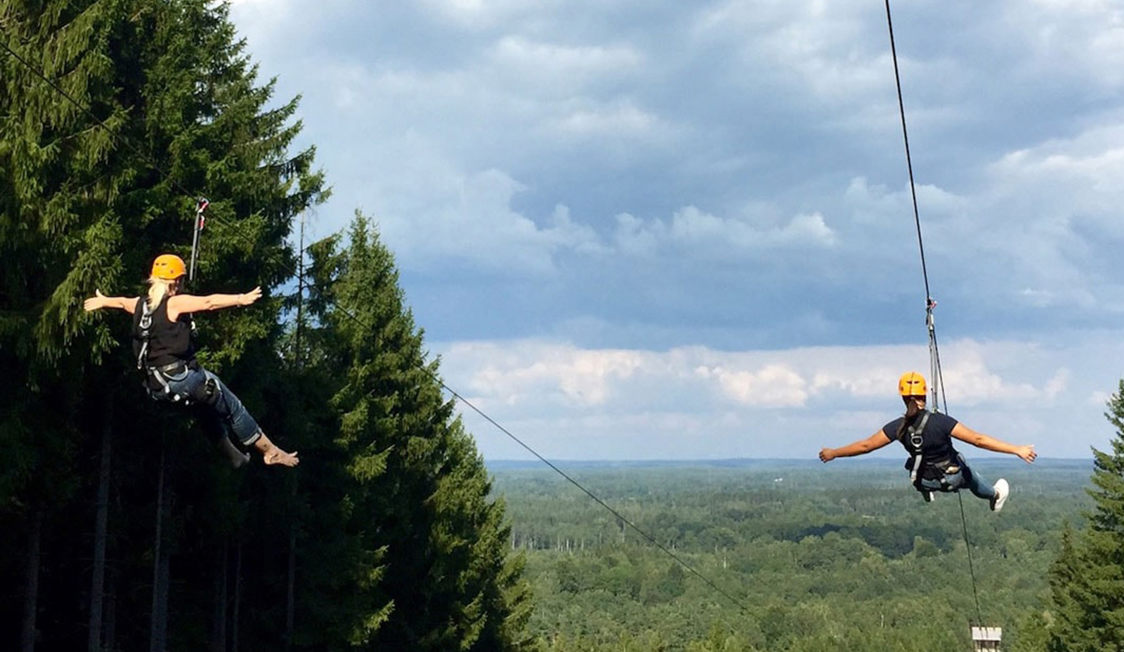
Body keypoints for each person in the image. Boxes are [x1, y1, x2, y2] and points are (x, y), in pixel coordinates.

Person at [84, 254, 298, 468]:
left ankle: (234, 456)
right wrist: (240, 299)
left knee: (204, 410)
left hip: (156, 388)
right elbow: (209, 302)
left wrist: (103, 301)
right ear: (176, 281)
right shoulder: (174, 303)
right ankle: (270, 452)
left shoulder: (140, 305)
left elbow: (121, 302)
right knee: (231, 405)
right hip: (181, 378)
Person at [818, 371, 1035, 511]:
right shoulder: (941, 422)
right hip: (952, 478)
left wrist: (833, 453)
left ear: (903, 398)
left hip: (923, 481)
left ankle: (927, 491)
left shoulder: (897, 427)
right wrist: (1016, 449)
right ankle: (995, 495)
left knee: (914, 462)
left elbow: (865, 446)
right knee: (967, 471)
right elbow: (978, 440)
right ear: (925, 395)